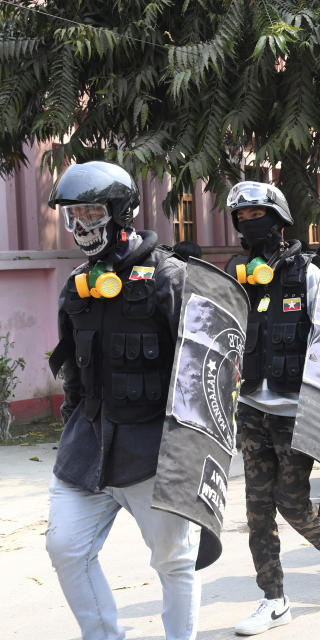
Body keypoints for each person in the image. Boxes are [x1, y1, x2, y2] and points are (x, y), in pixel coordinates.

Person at [45, 161, 199, 640]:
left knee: (173, 562)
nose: (80, 226)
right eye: (73, 215)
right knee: (65, 547)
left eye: (90, 212)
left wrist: (192, 458)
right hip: (85, 450)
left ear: (119, 212)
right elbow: (72, 372)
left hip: (151, 453)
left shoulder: (169, 278)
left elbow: (199, 377)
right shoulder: (77, 287)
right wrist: (70, 426)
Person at [229, 181, 320, 635]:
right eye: (242, 219)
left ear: (280, 222)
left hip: (296, 410)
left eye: (257, 216)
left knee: (292, 503)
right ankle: (274, 599)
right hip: (251, 408)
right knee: (257, 511)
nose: (250, 225)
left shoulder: (310, 275)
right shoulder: (238, 276)